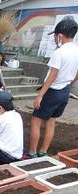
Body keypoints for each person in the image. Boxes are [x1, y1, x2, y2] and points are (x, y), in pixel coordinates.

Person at [29, 17, 78, 158]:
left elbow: (53, 75)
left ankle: (32, 153)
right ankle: (43, 152)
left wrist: (40, 95)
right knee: (51, 121)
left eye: (56, 36)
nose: (56, 39)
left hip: (52, 91)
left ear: (60, 35)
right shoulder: (76, 50)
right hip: (64, 91)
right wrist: (68, 83)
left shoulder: (59, 52)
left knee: (36, 121)